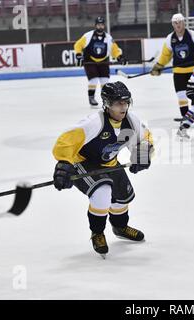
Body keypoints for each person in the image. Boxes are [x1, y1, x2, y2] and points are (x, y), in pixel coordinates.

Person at [52, 81, 154, 257]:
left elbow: (145, 139)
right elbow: (66, 140)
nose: (123, 107)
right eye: (117, 103)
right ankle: (97, 232)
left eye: (126, 102)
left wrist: (143, 154)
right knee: (102, 194)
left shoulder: (131, 121)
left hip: (109, 163)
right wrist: (63, 164)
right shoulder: (94, 122)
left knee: (123, 197)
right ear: (107, 105)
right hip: (83, 162)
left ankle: (120, 227)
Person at [150, 13, 194, 123]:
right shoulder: (170, 38)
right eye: (175, 23)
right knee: (181, 95)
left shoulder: (192, 34)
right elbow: (166, 55)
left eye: (180, 22)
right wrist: (159, 66)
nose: (178, 25)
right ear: (173, 24)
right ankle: (186, 116)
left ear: (184, 23)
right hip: (178, 71)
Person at [74, 17, 128, 108]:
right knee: (93, 80)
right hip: (90, 61)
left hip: (103, 61)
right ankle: (91, 97)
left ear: (104, 25)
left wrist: (120, 57)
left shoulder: (108, 37)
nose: (100, 26)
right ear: (95, 25)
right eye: (98, 25)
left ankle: (105, 98)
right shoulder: (88, 35)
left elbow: (114, 49)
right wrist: (79, 55)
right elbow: (78, 45)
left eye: (102, 24)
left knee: (105, 81)